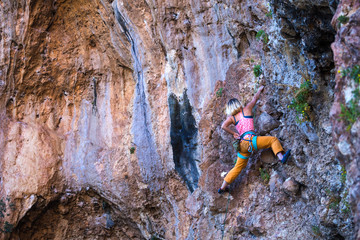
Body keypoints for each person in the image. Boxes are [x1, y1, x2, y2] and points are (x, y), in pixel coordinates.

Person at [218, 85, 291, 194]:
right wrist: (259, 90)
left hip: (242, 145)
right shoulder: (246, 109)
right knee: (273, 140)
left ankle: (223, 187)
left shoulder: (232, 118)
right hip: (251, 141)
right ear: (238, 104)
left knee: (237, 167)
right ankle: (281, 157)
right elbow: (255, 99)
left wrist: (234, 133)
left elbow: (223, 126)